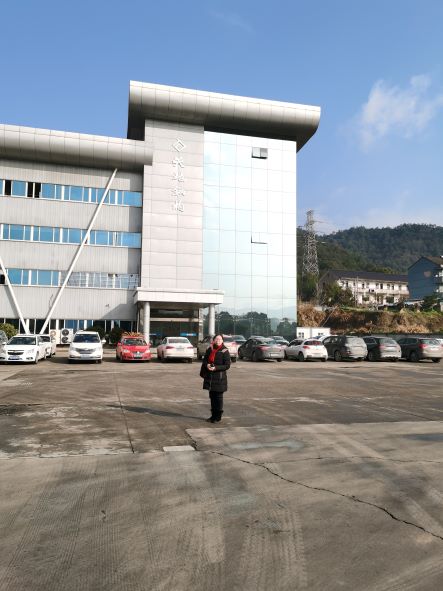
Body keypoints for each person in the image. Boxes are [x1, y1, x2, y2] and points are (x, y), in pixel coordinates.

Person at [200, 334, 231, 423]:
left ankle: (218, 417)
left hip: (219, 378)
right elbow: (205, 360)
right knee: (212, 397)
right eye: (216, 339)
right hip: (210, 377)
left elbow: (227, 365)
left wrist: (216, 368)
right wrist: (207, 365)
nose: (218, 340)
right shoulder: (210, 349)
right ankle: (213, 416)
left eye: (220, 339)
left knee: (218, 398)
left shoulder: (224, 350)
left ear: (222, 341)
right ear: (213, 340)